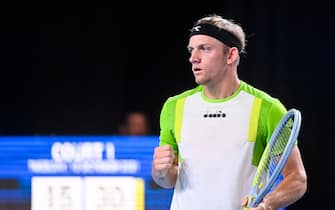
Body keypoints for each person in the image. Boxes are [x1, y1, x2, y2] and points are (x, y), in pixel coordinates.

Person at [151, 14, 307, 210]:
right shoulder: (174, 106)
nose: (193, 58)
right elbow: (168, 180)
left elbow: (297, 179)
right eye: (191, 50)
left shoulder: (267, 108)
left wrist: (267, 203)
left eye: (205, 49)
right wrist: (160, 173)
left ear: (231, 55)